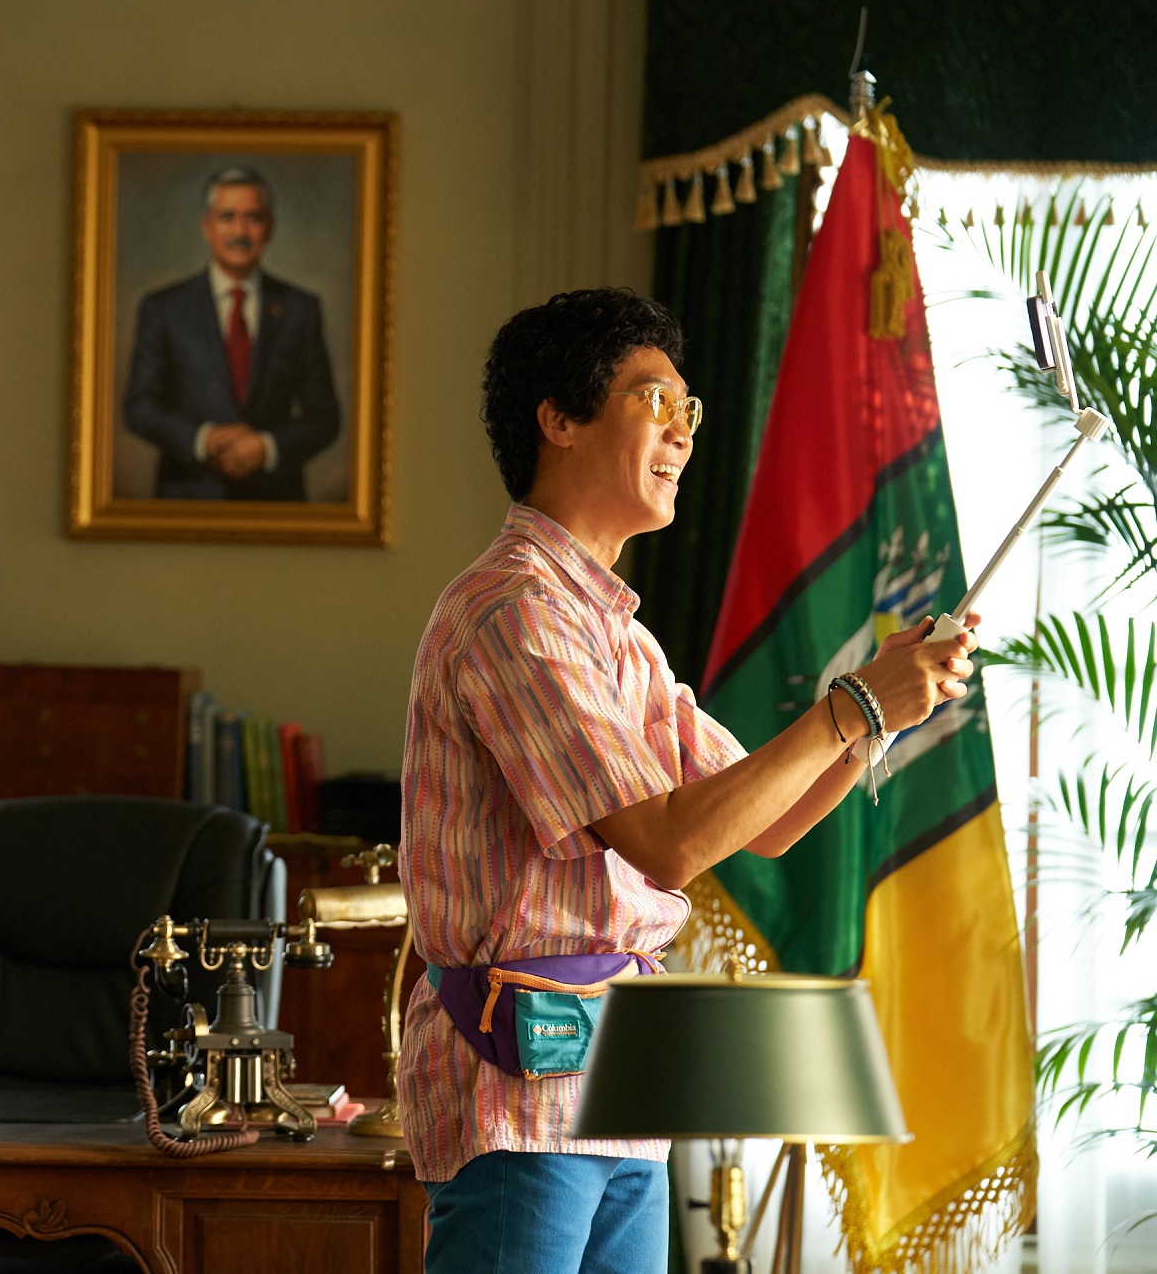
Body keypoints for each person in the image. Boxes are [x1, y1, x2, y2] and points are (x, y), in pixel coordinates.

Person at [397, 288, 976, 1273]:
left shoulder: (616, 635)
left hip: (620, 1085)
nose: (683, 432)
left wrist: (882, 712)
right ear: (559, 419)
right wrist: (851, 708)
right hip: (518, 1094)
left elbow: (765, 821)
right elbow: (667, 845)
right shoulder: (514, 611)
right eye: (654, 400)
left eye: (689, 410)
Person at [122, 166, 341, 500]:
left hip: (275, 505)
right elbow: (139, 407)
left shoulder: (300, 309)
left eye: (253, 218)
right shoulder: (163, 309)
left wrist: (266, 447)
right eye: (227, 217)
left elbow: (324, 417)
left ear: (270, 228)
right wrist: (204, 440)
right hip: (187, 501)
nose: (240, 231)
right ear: (206, 227)